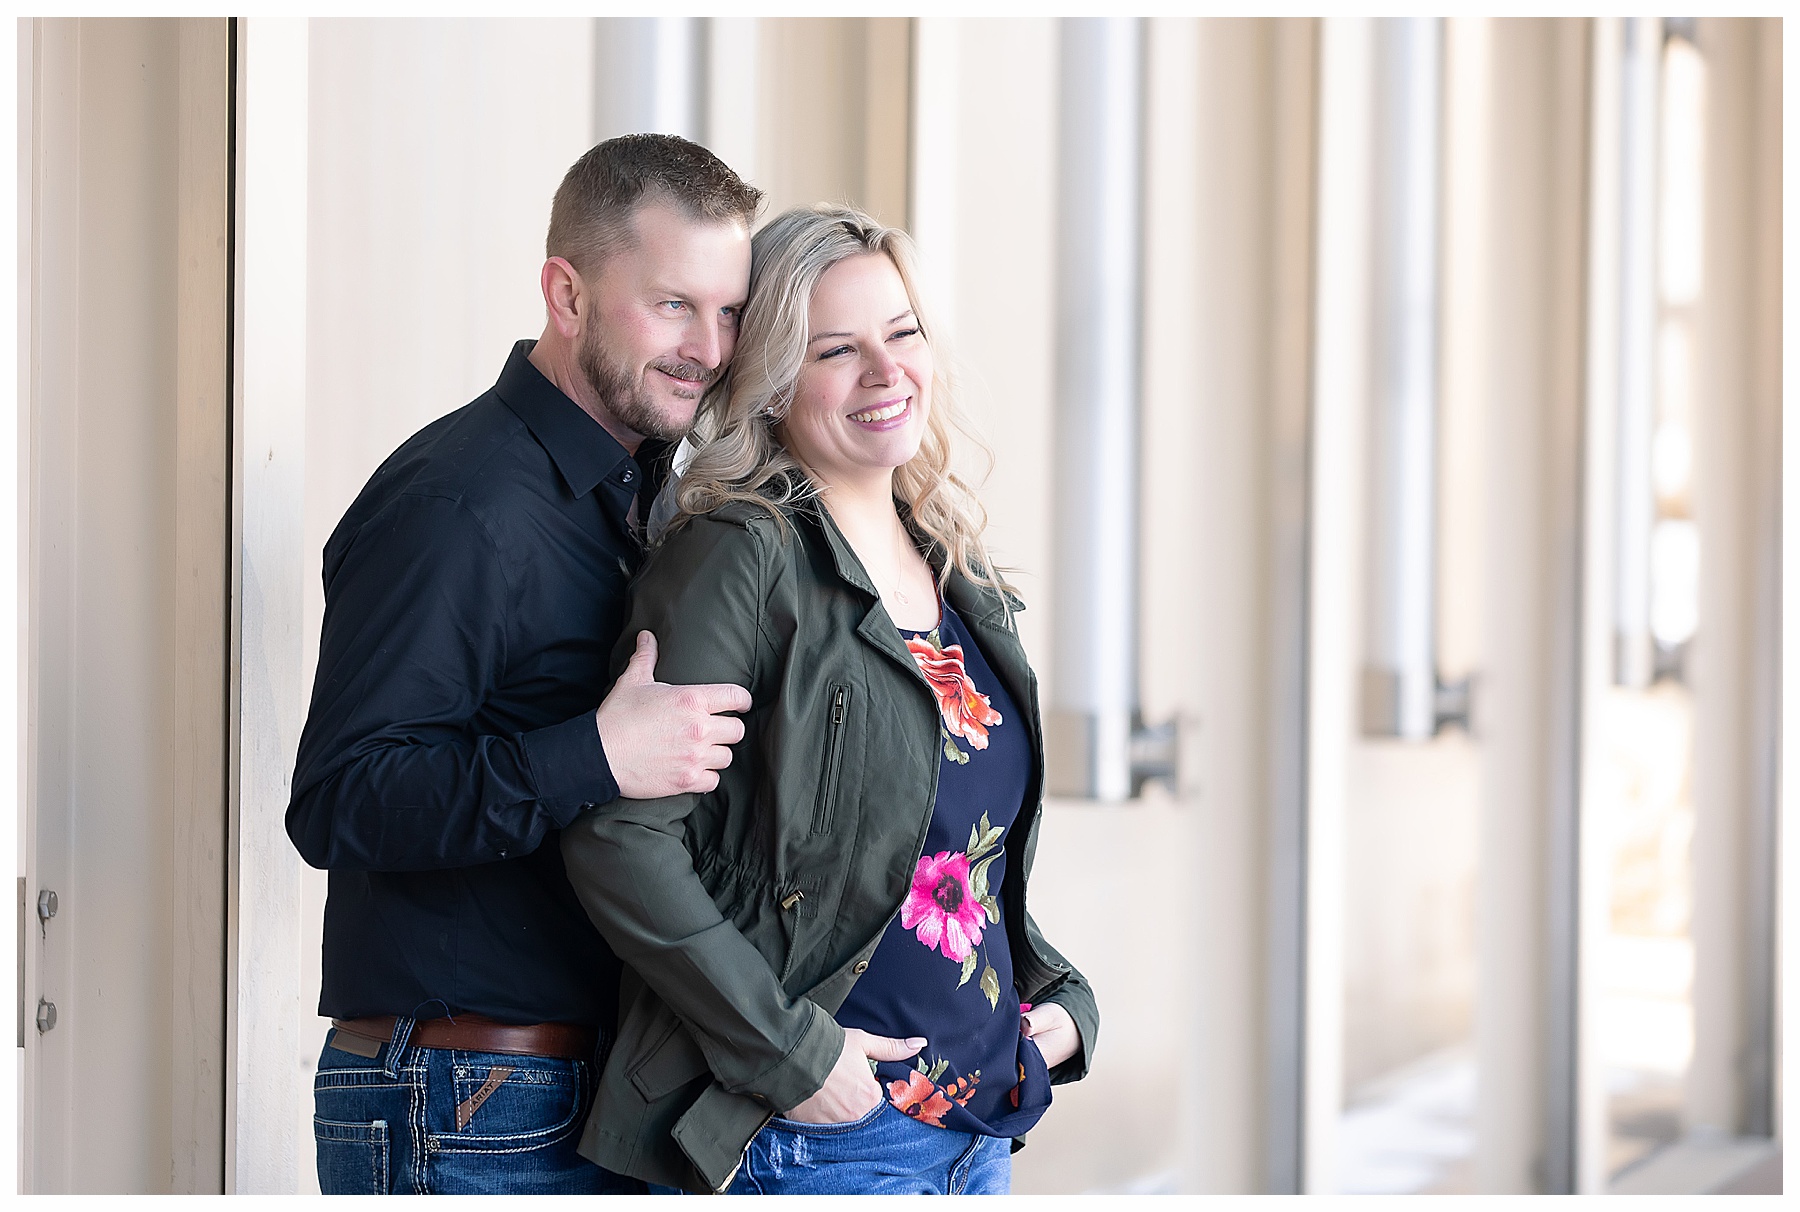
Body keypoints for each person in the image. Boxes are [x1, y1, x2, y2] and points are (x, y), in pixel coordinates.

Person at [559, 205, 1099, 1195]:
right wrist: (789, 1056)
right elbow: (621, 838)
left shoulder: (954, 569)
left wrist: (1057, 994)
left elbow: (947, 852)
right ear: (770, 385)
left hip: (981, 1130)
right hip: (824, 1143)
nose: (886, 372)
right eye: (836, 351)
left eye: (903, 335)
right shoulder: (742, 558)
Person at [286, 135, 762, 1195]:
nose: (709, 347)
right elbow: (339, 801)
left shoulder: (641, 496)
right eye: (674, 304)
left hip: (562, 1090)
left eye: (730, 312)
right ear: (567, 293)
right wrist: (595, 753)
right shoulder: (459, 506)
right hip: (465, 1087)